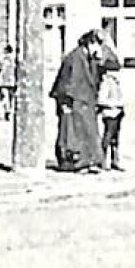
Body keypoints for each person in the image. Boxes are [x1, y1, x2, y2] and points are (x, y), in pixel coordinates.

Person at [50, 30, 106, 174]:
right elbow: (66, 81)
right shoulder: (74, 58)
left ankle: (90, 161)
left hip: (86, 102)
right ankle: (74, 163)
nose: (98, 49)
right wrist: (64, 102)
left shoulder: (90, 59)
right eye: (96, 45)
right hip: (73, 102)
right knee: (71, 133)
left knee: (88, 132)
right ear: (89, 43)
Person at [96, 38, 126, 172]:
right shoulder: (106, 82)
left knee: (115, 139)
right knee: (108, 137)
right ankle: (102, 160)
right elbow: (101, 99)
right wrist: (114, 104)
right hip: (110, 112)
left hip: (118, 112)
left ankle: (114, 160)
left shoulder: (117, 82)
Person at [0, 42, 17, 120]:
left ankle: (7, 110)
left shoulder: (2, 59)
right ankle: (9, 110)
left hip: (3, 80)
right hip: (11, 80)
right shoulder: (14, 59)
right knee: (11, 97)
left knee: (4, 96)